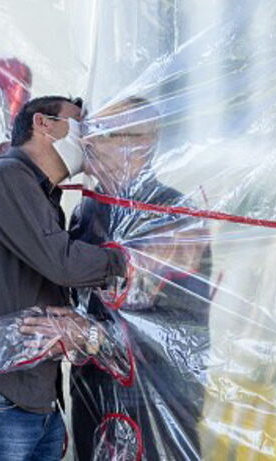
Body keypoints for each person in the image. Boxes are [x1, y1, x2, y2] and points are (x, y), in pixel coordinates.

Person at [0, 95, 127, 461]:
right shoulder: (7, 177)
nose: (90, 138)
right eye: (81, 124)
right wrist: (127, 261)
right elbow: (64, 264)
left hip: (32, 398)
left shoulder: (43, 196)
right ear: (43, 123)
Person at [67, 96, 213, 460]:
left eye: (104, 134)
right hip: (92, 390)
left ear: (142, 143)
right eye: (89, 132)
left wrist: (93, 335)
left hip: (153, 394)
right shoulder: (86, 212)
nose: (88, 143)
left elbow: (171, 322)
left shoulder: (173, 216)